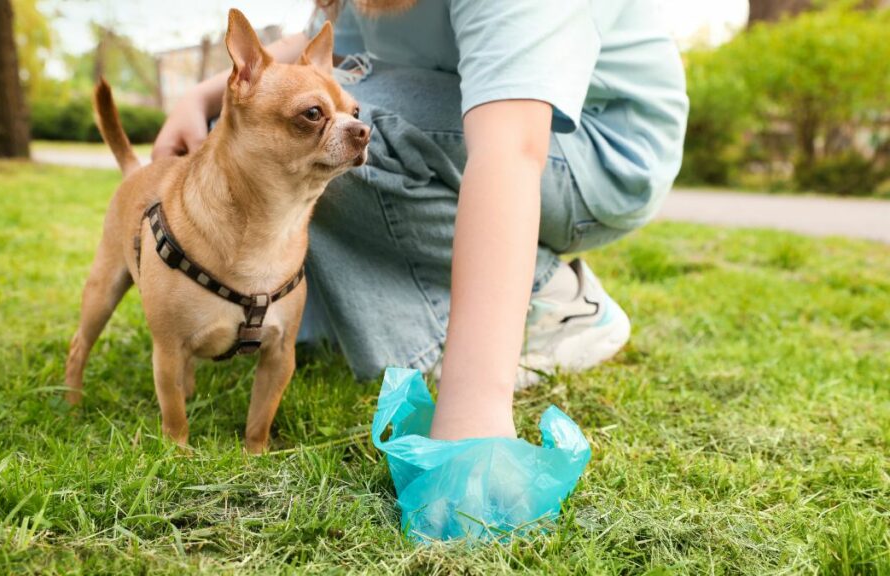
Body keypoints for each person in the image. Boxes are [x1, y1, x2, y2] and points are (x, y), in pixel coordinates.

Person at [153, 0, 688, 442]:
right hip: (470, 120)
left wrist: (472, 409)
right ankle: (390, 311)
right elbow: (320, 47)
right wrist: (204, 98)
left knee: (344, 132)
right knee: (262, 129)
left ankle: (543, 300)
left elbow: (512, 149)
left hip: (594, 152)